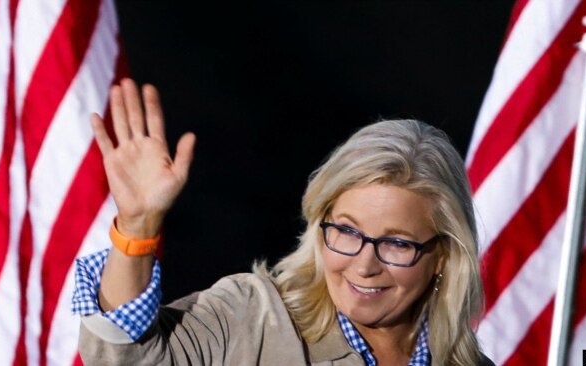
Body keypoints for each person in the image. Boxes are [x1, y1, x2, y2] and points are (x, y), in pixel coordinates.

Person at [72, 78, 495, 365]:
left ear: (442, 255)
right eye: (347, 231)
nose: (365, 265)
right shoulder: (251, 318)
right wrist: (138, 228)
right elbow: (125, 358)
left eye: (397, 244)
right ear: (320, 223)